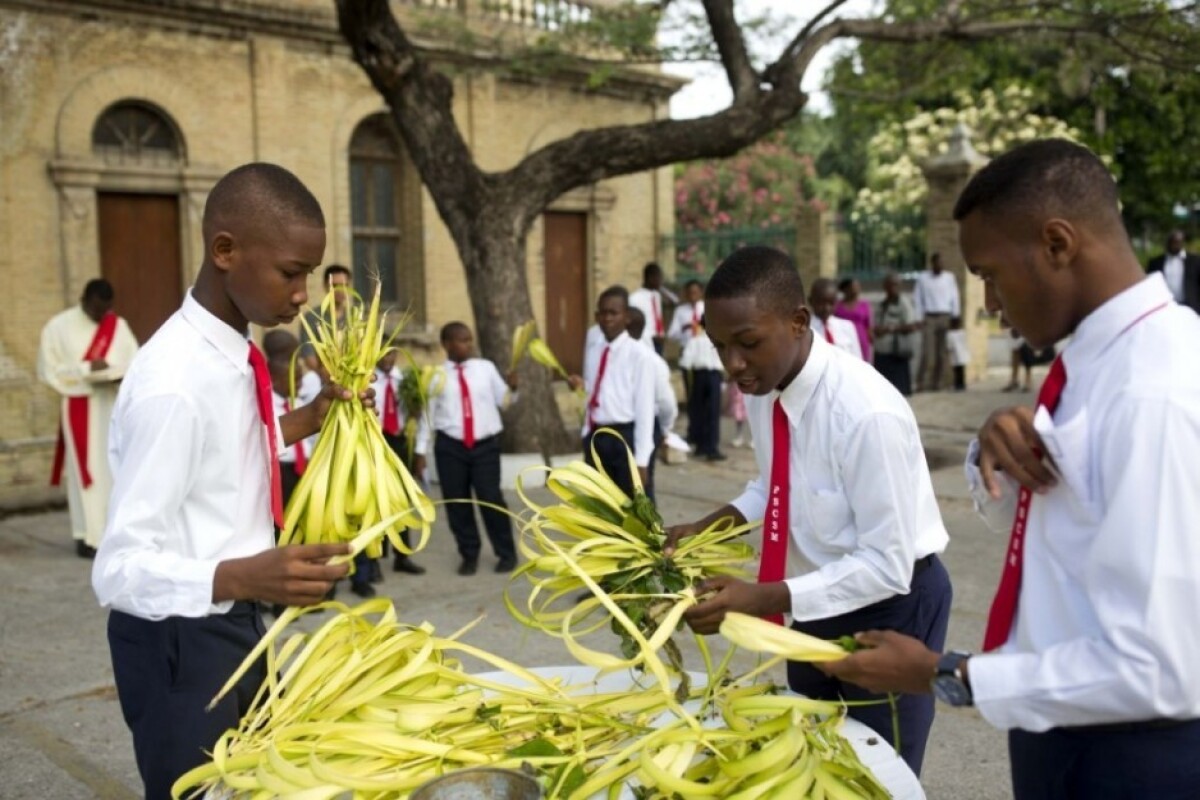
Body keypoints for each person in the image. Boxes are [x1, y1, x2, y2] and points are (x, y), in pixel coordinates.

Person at [821, 139, 1200, 800]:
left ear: (1057, 243)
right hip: (1066, 732)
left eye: (991, 274)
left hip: (1131, 756)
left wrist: (947, 674)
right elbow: (1062, 529)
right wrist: (993, 445)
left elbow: (1162, 667)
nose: (990, 303)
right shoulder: (1095, 360)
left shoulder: (1153, 389)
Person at [92, 163, 361, 799]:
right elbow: (119, 570)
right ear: (224, 251)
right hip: (178, 638)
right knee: (198, 790)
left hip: (237, 616)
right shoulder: (174, 383)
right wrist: (241, 575)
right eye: (291, 273)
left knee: (255, 783)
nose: (303, 295)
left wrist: (312, 417)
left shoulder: (233, 353)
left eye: (310, 276)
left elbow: (234, 447)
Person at [663, 246, 951, 775]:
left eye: (747, 343)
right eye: (720, 346)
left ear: (798, 322)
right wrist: (702, 529)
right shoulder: (764, 386)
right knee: (807, 753)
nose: (733, 366)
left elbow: (886, 565)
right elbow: (774, 487)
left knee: (877, 769)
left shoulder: (866, 415)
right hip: (811, 599)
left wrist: (760, 597)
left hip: (892, 604)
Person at [37, 278, 139, 558]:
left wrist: (116, 372)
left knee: (113, 468)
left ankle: (114, 533)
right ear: (83, 299)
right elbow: (48, 369)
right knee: (87, 474)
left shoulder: (118, 326)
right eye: (95, 309)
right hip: (80, 405)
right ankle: (86, 536)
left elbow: (135, 361)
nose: (99, 316)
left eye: (105, 310)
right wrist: (85, 368)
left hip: (112, 404)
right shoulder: (58, 327)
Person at [415, 322, 518, 576]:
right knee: (457, 503)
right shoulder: (436, 376)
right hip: (451, 447)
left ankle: (506, 552)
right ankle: (469, 554)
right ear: (447, 344)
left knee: (491, 498)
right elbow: (427, 416)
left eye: (469, 339)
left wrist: (513, 388)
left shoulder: (486, 369)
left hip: (485, 445)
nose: (468, 345)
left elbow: (504, 402)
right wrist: (420, 451)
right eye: (462, 340)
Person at [568, 286, 657, 499]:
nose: (607, 318)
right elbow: (601, 389)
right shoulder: (595, 348)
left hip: (624, 439)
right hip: (597, 436)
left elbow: (644, 410)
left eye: (613, 313)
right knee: (603, 508)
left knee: (634, 510)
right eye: (602, 313)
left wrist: (642, 461)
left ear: (626, 317)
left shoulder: (640, 355)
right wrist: (583, 387)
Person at [372, 345, 425, 576]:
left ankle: (402, 555)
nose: (387, 358)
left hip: (402, 441)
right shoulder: (366, 380)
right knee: (376, 499)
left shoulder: (406, 378)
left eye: (391, 353)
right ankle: (375, 557)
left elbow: (420, 417)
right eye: (381, 353)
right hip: (376, 441)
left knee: (402, 500)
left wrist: (420, 452)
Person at [627, 307, 677, 500]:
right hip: (616, 430)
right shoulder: (611, 354)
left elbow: (666, 403)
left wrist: (664, 429)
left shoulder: (649, 360)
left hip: (645, 426)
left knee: (642, 490)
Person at [913, 252, 961, 391]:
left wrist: (955, 315)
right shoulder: (923, 278)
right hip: (929, 316)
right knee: (927, 352)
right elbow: (917, 298)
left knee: (942, 352)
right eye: (937, 263)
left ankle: (938, 383)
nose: (940, 265)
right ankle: (921, 382)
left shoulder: (949, 278)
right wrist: (918, 317)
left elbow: (954, 296)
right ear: (932, 263)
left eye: (942, 263)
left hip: (945, 315)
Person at [299, 264, 352, 373]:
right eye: (335, 285)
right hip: (322, 379)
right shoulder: (312, 317)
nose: (340, 290)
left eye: (344, 285)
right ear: (325, 286)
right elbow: (308, 355)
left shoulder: (355, 316)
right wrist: (326, 373)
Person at [872, 271, 918, 397]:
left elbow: (911, 326)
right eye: (891, 285)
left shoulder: (904, 303)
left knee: (899, 392)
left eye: (897, 285)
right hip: (882, 353)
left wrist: (890, 328)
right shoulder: (882, 304)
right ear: (885, 287)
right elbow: (875, 326)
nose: (894, 288)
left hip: (897, 353)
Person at [667, 279, 705, 399]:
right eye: (690, 293)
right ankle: (692, 408)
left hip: (704, 350)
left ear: (700, 293)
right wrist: (683, 328)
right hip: (687, 349)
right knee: (690, 383)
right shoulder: (680, 311)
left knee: (705, 382)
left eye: (695, 292)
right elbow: (671, 334)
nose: (692, 295)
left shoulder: (706, 308)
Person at [807, 277, 863, 359]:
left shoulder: (847, 327)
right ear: (811, 301)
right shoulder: (805, 329)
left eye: (831, 303)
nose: (826, 308)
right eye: (821, 303)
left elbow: (858, 359)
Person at [1147, 229, 1200, 314]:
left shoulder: (1195, 261)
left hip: (1190, 306)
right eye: (1172, 241)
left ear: (1182, 243)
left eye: (1178, 241)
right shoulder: (1156, 263)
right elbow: (1150, 285)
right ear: (1167, 243)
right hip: (1164, 307)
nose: (1175, 244)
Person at [628, 262, 668, 354]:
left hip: (659, 342)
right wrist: (651, 336)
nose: (661, 281)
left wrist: (661, 334)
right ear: (650, 277)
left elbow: (657, 318)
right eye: (659, 278)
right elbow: (634, 324)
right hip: (644, 342)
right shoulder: (634, 298)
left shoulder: (656, 295)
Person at [834, 276, 873, 361]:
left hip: (861, 342)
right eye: (854, 287)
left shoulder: (864, 305)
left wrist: (871, 340)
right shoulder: (837, 306)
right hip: (843, 342)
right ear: (845, 289)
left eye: (858, 286)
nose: (857, 289)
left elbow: (868, 325)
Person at [1004, 328, 1033, 392]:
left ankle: (1028, 381)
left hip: (1025, 323)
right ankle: (1014, 380)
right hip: (1013, 324)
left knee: (1026, 351)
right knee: (1014, 349)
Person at [946, 317, 969, 391]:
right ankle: (962, 384)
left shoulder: (950, 334)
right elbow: (965, 342)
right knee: (961, 370)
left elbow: (949, 346)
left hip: (955, 354)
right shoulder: (962, 332)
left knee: (956, 371)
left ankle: (957, 385)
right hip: (962, 354)